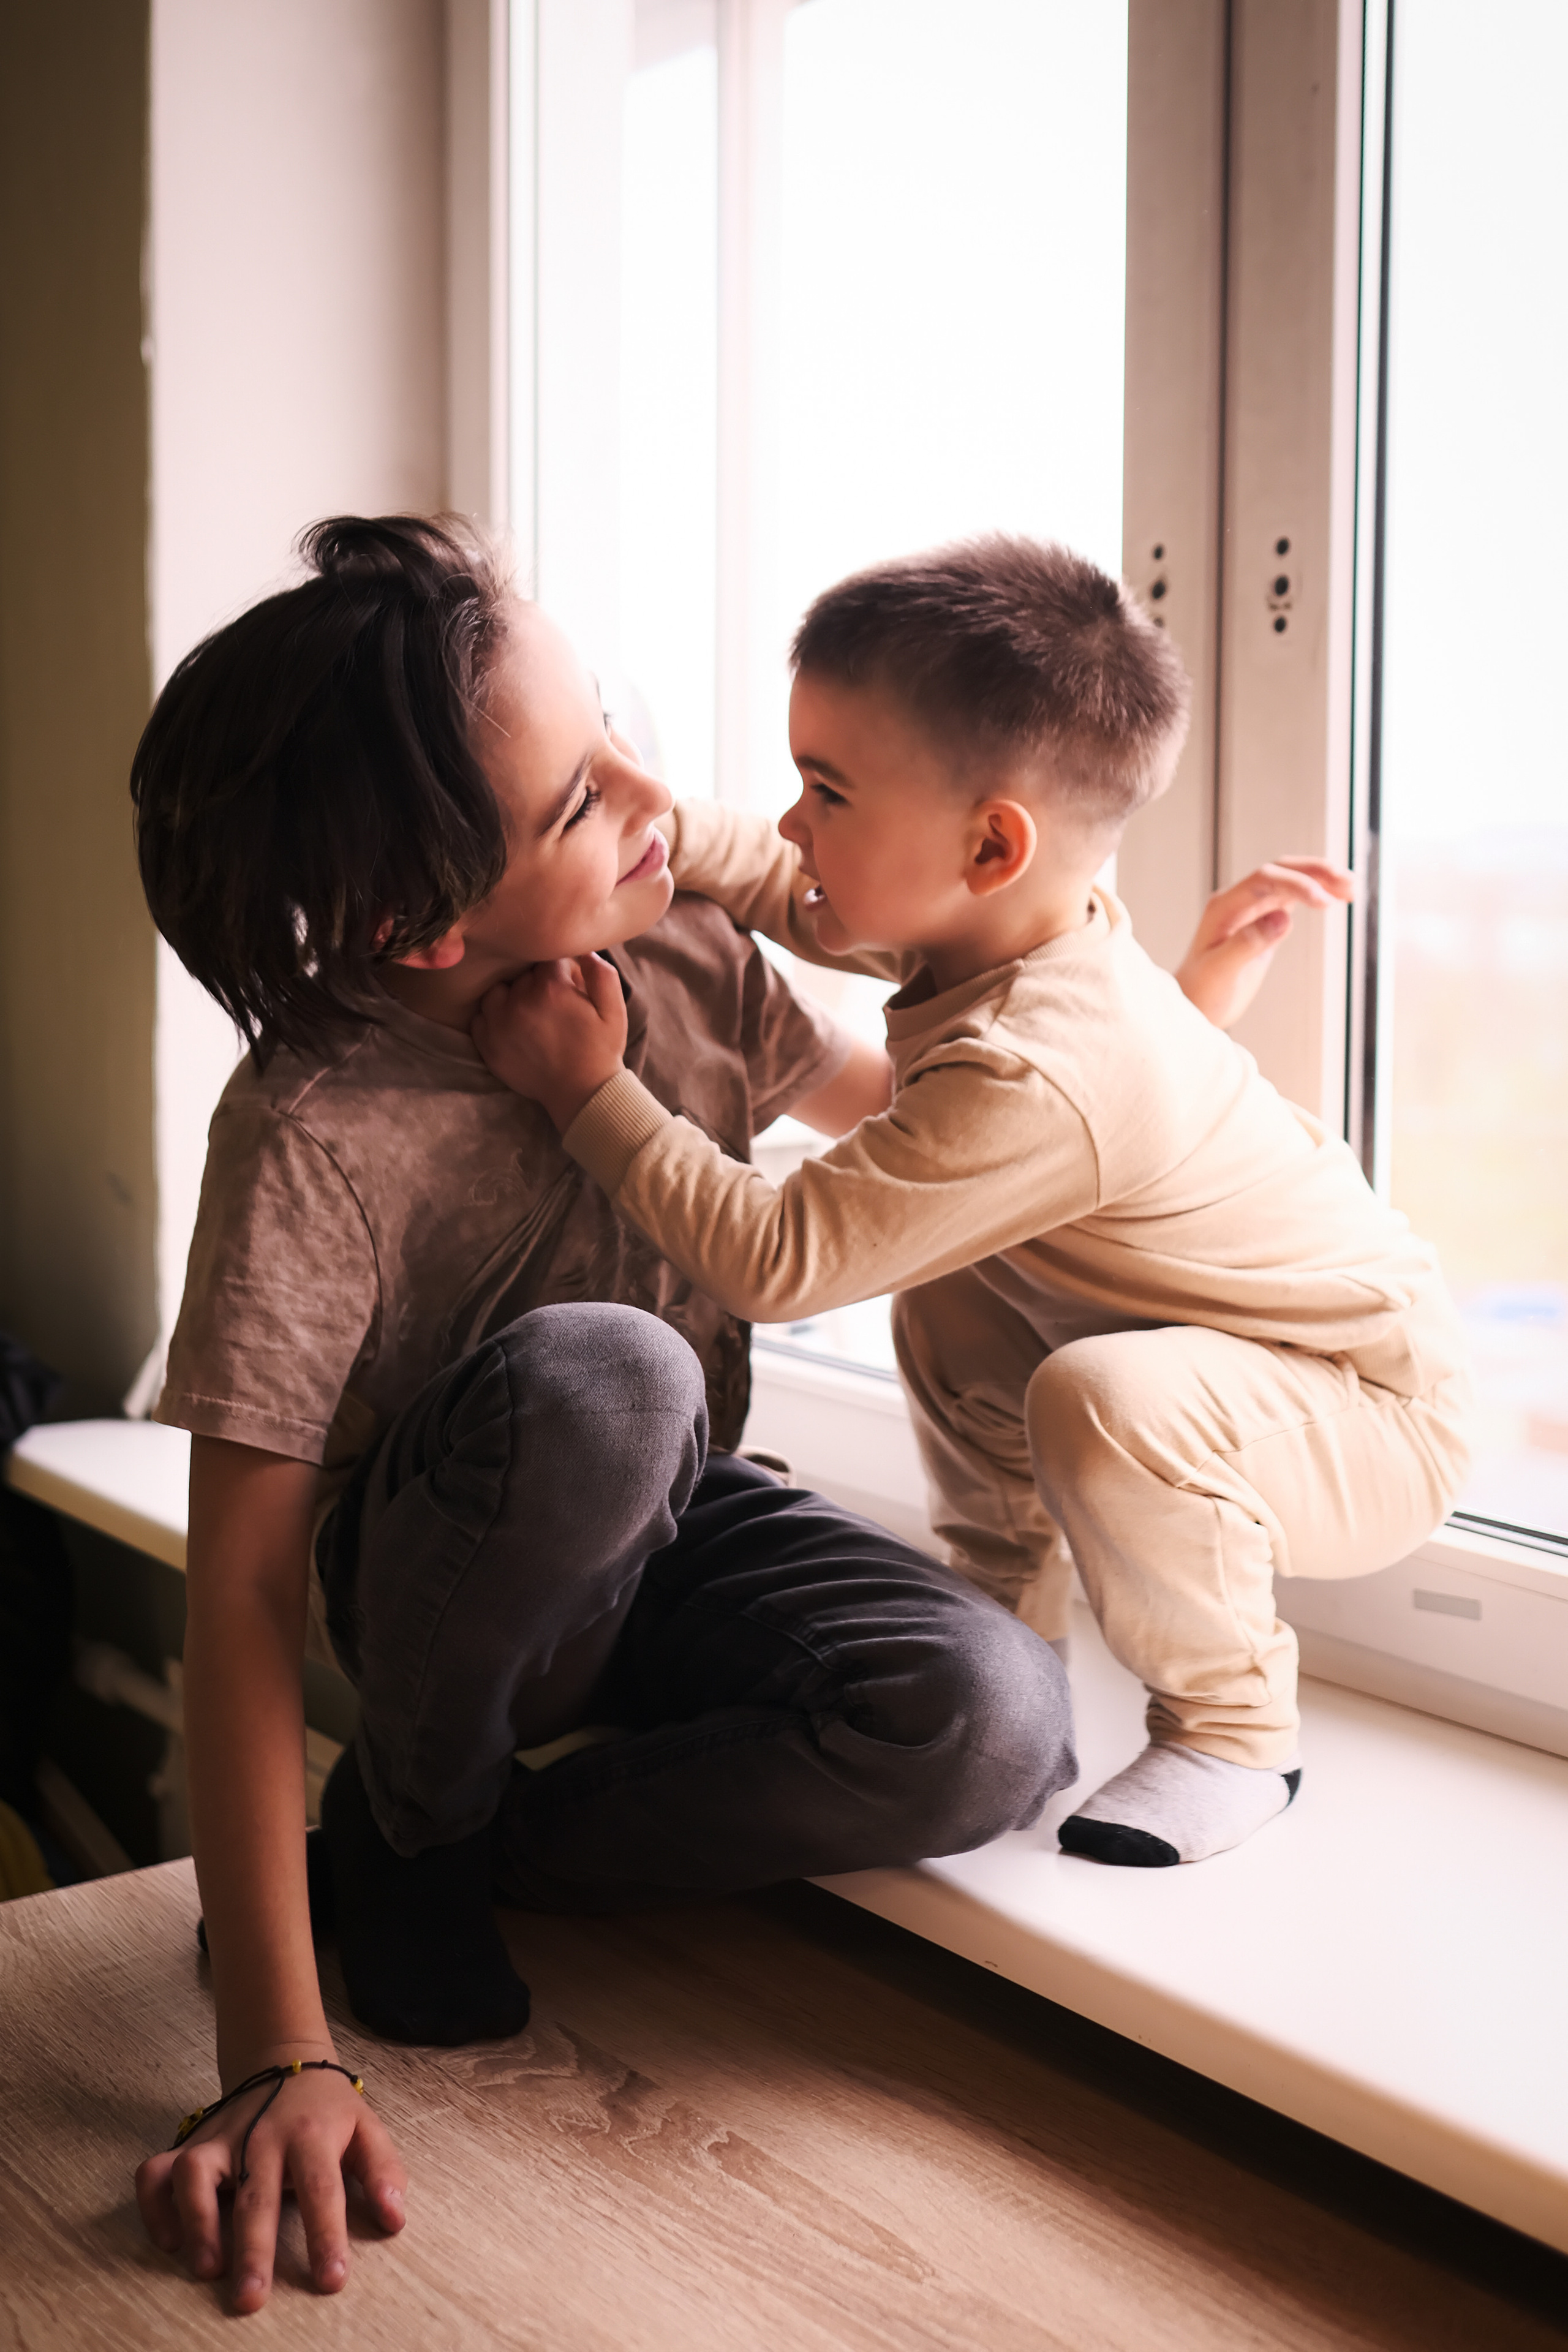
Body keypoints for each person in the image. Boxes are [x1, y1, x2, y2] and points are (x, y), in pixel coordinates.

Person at [127, 514, 1333, 2312]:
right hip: (462, 1581)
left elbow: (926, 1137)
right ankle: (428, 1819)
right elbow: (237, 1595)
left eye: (615, 726)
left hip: (686, 1522)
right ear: (416, 921)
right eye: (576, 803)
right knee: (624, 1369)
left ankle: (419, 1850)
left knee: (998, 1722)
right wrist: (275, 2049)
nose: (657, 797)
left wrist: (1166, 1031)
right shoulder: (315, 1129)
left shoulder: (685, 948)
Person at [476, 534, 1472, 1883]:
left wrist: (591, 1092)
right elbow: (784, 888)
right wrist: (651, 831)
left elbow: (781, 1258)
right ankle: (1010, 1626)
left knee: (1101, 1402)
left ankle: (1235, 1730)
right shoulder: (1005, 926)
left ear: (988, 842)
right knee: (951, 1264)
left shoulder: (1035, 1065)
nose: (789, 826)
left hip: (1366, 1413)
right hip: (1252, 1360)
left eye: (824, 790)